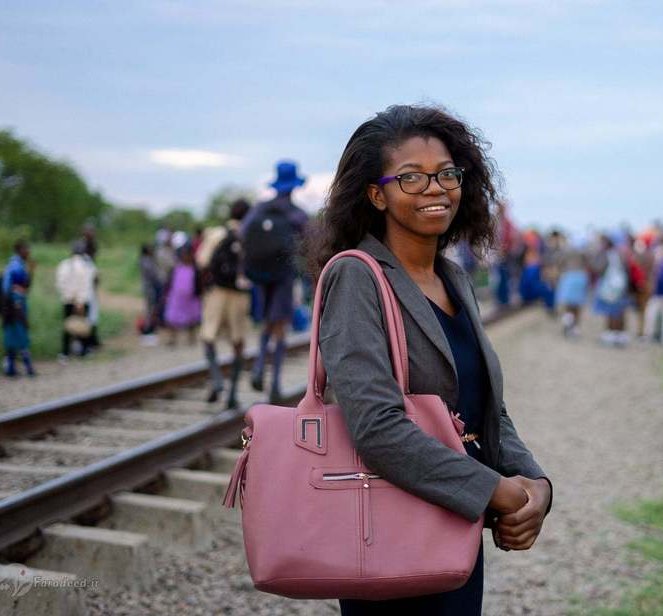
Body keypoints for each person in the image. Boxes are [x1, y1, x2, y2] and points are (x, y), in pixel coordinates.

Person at [307, 104, 552, 615]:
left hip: (455, 532)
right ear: (377, 194)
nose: (434, 189)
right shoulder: (358, 277)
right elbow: (376, 428)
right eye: (411, 177)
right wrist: (493, 490)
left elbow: (486, 407)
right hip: (390, 537)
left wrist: (534, 484)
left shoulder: (454, 279)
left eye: (445, 174)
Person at [241, 160, 309, 404]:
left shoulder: (259, 209)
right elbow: (310, 241)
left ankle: (260, 365)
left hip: (260, 274)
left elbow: (243, 232)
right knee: (280, 326)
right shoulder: (296, 213)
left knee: (266, 323)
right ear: (294, 185)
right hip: (283, 274)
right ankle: (275, 384)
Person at [196, 199, 252, 409]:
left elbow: (201, 261)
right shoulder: (250, 235)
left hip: (217, 294)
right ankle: (233, 394)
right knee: (238, 343)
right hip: (240, 295)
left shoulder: (217, 234)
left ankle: (217, 379)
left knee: (208, 337)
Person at [56, 240, 97, 361]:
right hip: (82, 301)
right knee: (83, 325)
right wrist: (79, 301)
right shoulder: (85, 266)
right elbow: (85, 285)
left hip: (68, 300)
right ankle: (83, 351)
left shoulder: (64, 265)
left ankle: (65, 352)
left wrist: (70, 297)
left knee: (68, 326)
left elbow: (60, 284)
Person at [1, 240, 35, 377]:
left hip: (10, 306)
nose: (28, 252)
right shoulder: (16, 267)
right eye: (26, 249)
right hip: (16, 305)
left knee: (11, 336)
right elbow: (24, 286)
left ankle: (11, 368)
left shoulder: (13, 264)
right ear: (20, 250)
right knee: (21, 334)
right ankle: (28, 368)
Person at [592, 234, 630, 347]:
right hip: (621, 286)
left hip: (610, 287)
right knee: (619, 312)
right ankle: (620, 335)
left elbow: (598, 268)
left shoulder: (607, 254)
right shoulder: (620, 254)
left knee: (610, 312)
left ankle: (610, 335)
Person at [163, 245, 202, 345]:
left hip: (191, 299)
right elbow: (169, 282)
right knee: (173, 318)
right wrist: (166, 295)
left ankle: (191, 338)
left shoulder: (195, 269)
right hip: (176, 298)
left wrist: (198, 294)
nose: (186, 257)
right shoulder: (175, 268)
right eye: (184, 255)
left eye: (188, 254)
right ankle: (172, 338)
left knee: (191, 319)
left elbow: (199, 284)